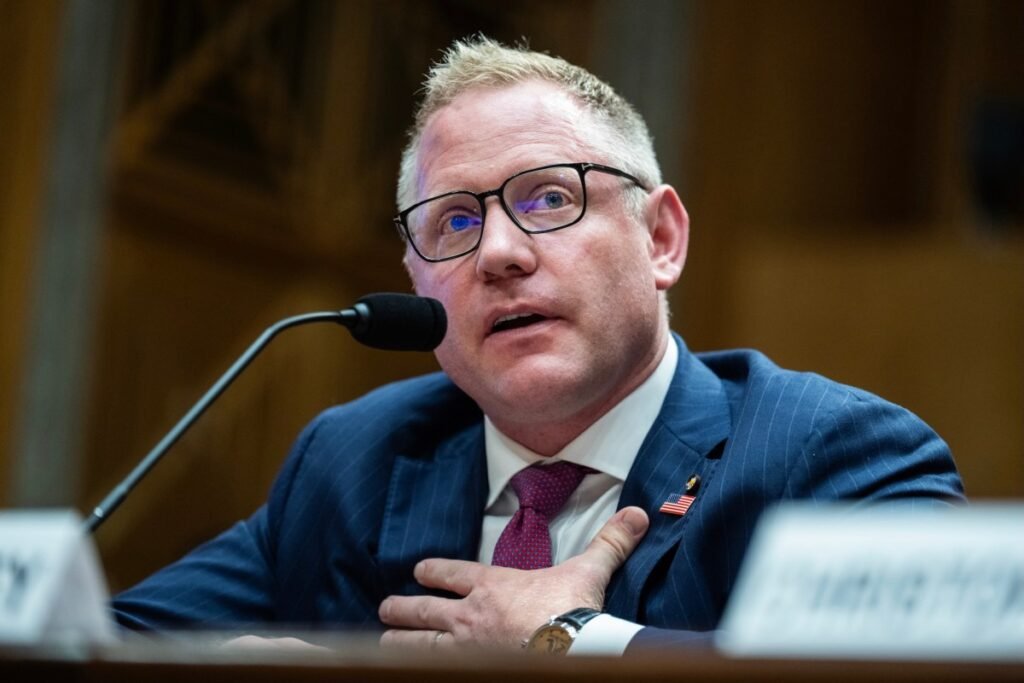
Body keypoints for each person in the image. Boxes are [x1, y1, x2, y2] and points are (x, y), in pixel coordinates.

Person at [112, 37, 964, 654]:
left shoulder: (830, 454)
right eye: (453, 221)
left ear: (661, 238)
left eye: (550, 198)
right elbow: (91, 642)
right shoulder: (353, 461)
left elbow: (937, 673)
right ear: (416, 280)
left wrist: (575, 641)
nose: (498, 252)